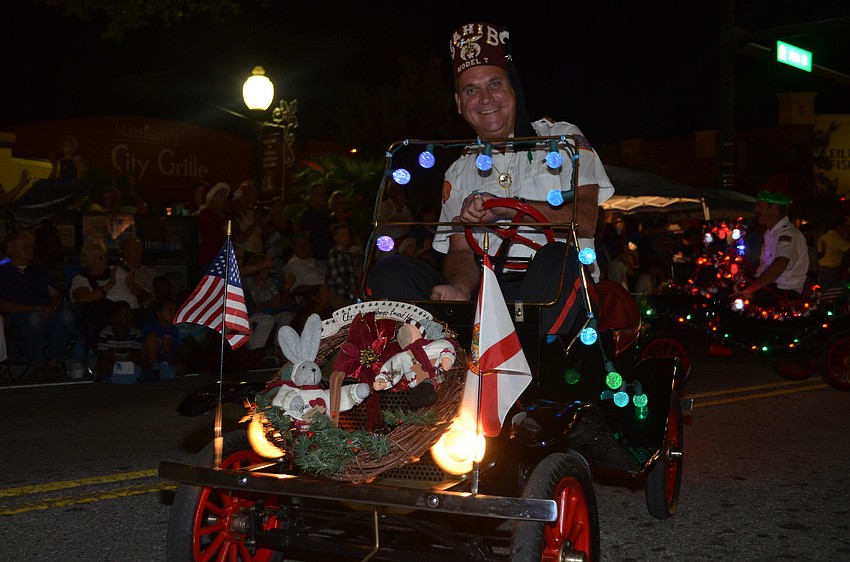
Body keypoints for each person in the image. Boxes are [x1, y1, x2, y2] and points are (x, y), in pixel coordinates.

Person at [370, 22, 613, 337]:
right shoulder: (458, 171)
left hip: (555, 293)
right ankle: (436, 361)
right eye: (471, 89)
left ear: (513, 88)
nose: (485, 98)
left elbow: (585, 220)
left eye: (494, 84)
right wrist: (459, 286)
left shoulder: (563, 139)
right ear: (459, 103)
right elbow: (459, 250)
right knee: (390, 271)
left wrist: (509, 209)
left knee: (559, 257)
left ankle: (524, 353)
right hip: (488, 298)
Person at [0, 230, 76, 380]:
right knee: (33, 318)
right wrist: (32, 308)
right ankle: (37, 365)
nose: (30, 249)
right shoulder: (3, 273)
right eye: (25, 246)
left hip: (45, 312)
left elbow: (56, 294)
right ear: (11, 249)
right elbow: (2, 304)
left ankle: (54, 363)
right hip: (18, 317)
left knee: (66, 316)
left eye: (32, 246)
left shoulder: (39, 271)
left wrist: (53, 306)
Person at [734, 186, 809, 305]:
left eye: (760, 207)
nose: (755, 211)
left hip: (781, 293)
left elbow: (779, 266)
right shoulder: (772, 233)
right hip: (769, 289)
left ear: (774, 208)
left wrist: (751, 289)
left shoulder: (788, 234)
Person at [69, 241, 139, 339]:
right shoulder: (81, 279)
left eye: (105, 256)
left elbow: (138, 293)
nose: (105, 260)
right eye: (101, 258)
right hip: (110, 317)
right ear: (89, 262)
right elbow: (83, 298)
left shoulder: (116, 270)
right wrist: (110, 284)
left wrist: (130, 283)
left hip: (133, 312)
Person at [95, 299, 143, 382]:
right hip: (113, 364)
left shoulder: (136, 333)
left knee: (142, 364)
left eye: (130, 314)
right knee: (102, 365)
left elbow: (136, 354)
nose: (128, 318)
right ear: (113, 319)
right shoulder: (105, 333)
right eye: (124, 316)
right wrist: (117, 363)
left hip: (130, 363)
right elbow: (104, 354)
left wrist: (126, 363)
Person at [197, 182, 232, 269]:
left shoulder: (227, 216)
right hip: (212, 259)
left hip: (225, 259)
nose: (223, 198)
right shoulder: (206, 215)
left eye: (225, 195)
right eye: (220, 195)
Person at [327, 222, 360, 308]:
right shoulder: (334, 253)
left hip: (349, 295)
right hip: (339, 293)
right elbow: (336, 276)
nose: (347, 237)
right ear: (335, 237)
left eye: (348, 234)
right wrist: (351, 288)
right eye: (343, 235)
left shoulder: (348, 254)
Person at [299, 184, 333, 263]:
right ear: (311, 195)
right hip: (316, 257)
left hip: (327, 255)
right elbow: (306, 236)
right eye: (318, 194)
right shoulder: (307, 215)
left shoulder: (325, 214)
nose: (320, 197)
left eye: (323, 194)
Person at [816, 216, 850, 289]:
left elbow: (820, 255)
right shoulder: (837, 239)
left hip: (822, 270)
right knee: (834, 293)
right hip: (832, 271)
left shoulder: (824, 238)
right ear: (839, 227)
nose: (847, 229)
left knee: (823, 294)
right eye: (846, 226)